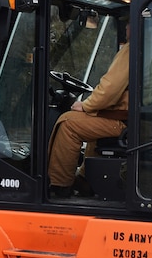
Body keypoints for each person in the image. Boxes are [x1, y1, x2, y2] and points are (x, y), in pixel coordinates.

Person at [47, 22, 129, 198]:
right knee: (89, 125)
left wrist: (86, 105)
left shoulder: (131, 50)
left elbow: (110, 88)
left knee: (68, 123)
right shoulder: (151, 46)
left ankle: (60, 185)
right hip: (134, 118)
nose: (127, 28)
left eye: (129, 23)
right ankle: (86, 179)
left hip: (125, 121)